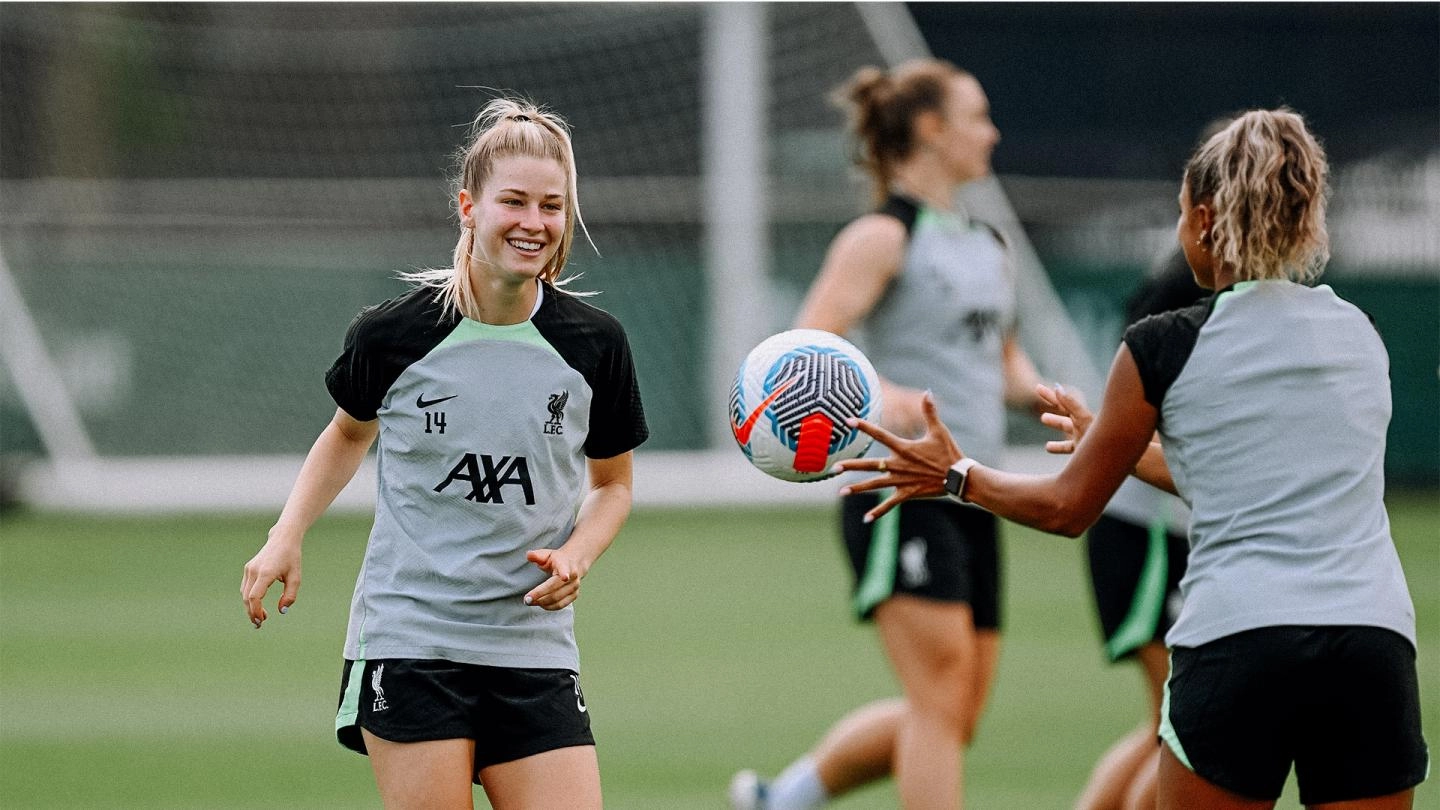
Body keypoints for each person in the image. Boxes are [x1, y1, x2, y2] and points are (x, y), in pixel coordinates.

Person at [837, 108, 1428, 809]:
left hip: (1237, 642)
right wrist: (1117, 447)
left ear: (1204, 221)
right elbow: (1243, 483)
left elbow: (1066, 509)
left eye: (1181, 215)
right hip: (1371, 645)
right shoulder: (1361, 336)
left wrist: (955, 476)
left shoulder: (1162, 344)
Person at [240, 98, 648, 810]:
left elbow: (612, 485)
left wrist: (579, 553)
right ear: (468, 206)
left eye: (552, 206)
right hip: (413, 640)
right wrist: (286, 535)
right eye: (513, 201)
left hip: (532, 645)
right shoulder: (395, 335)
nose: (534, 222)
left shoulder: (594, 346)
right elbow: (346, 433)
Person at [730, 58, 1046, 810]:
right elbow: (806, 350)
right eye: (978, 116)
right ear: (933, 130)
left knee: (954, 714)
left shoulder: (988, 246)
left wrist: (1061, 402)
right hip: (899, 491)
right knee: (937, 702)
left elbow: (1005, 369)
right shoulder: (880, 237)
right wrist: (888, 397)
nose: (993, 133)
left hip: (977, 492)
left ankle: (788, 798)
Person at [1074, 232, 1206, 810]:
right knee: (1181, 727)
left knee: (1167, 723)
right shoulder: (1182, 286)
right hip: (1146, 527)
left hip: (1163, 527)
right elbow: (1139, 398)